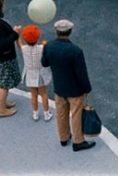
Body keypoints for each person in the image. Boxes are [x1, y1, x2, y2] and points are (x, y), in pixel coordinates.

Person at [41, 19, 94, 151]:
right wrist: (87, 88)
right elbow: (81, 73)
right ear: (70, 32)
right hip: (74, 89)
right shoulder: (75, 51)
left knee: (61, 114)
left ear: (56, 31)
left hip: (59, 87)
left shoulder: (49, 46)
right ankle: (78, 141)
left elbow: (44, 63)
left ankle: (63, 137)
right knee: (76, 115)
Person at [19, 24, 52, 122]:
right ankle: (46, 113)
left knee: (33, 94)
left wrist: (20, 33)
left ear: (25, 39)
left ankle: (35, 113)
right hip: (40, 75)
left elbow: (19, 42)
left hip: (30, 74)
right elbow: (46, 47)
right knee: (44, 94)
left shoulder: (24, 49)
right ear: (38, 37)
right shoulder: (42, 48)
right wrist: (45, 44)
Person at [0, 0, 19, 118]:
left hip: (3, 58)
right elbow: (2, 44)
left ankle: (3, 103)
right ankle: (1, 109)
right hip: (4, 58)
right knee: (4, 84)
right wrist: (15, 34)